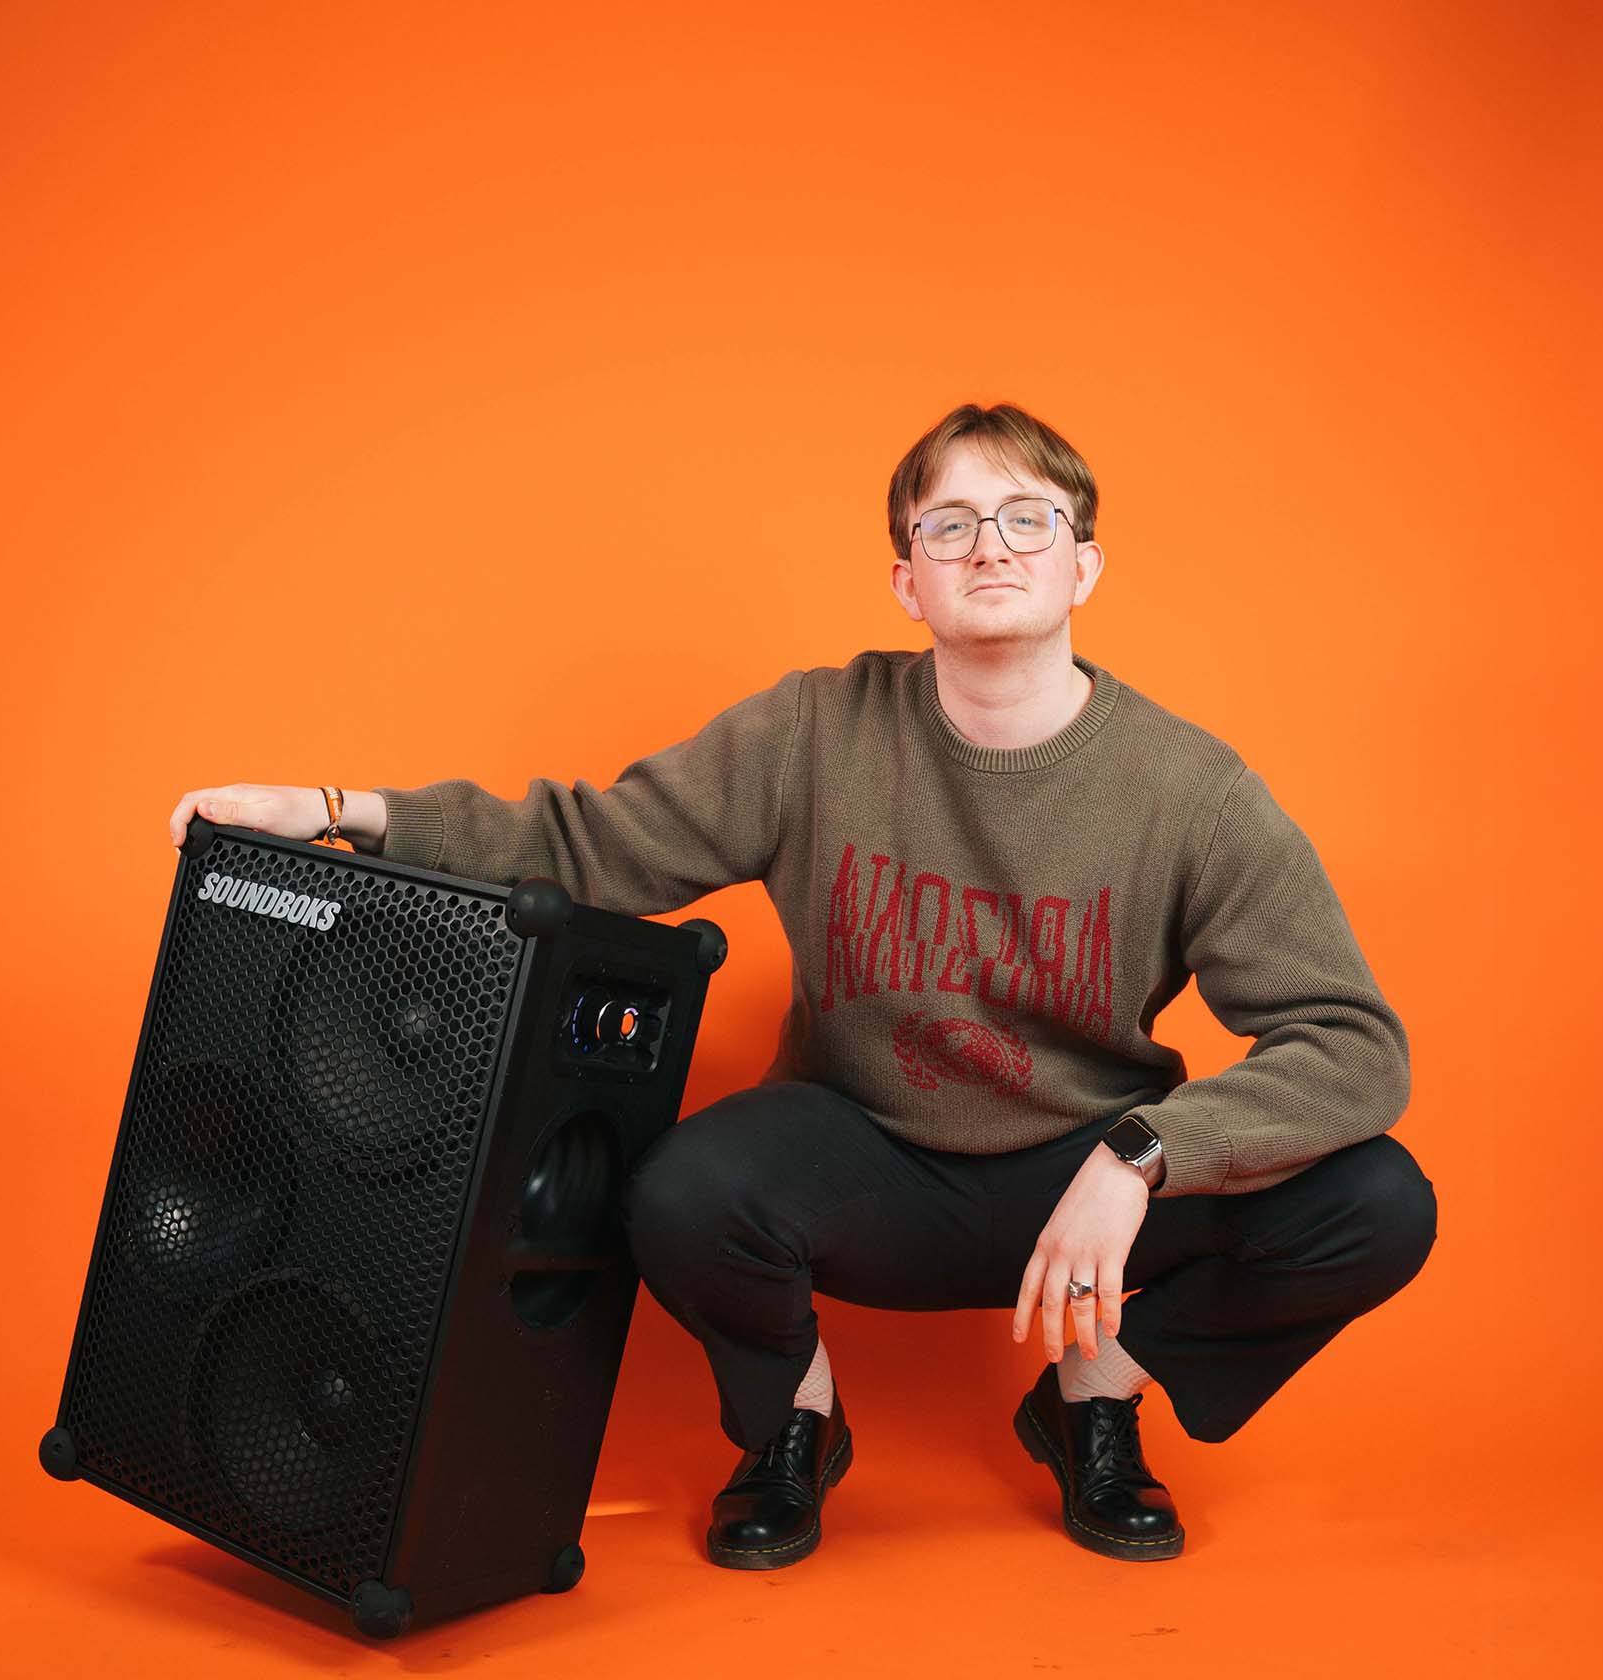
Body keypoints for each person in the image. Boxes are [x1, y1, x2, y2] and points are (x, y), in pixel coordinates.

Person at [167, 401, 1437, 1571]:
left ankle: (1091, 1395)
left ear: (1082, 565)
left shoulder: (1192, 792)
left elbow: (1351, 1046)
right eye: (949, 523)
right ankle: (795, 1421)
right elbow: (590, 845)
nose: (988, 546)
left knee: (1377, 1197)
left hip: (1082, 1183)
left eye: (1026, 518)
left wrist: (1144, 1154)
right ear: (906, 577)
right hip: (867, 1159)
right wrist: (336, 811)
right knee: (680, 1185)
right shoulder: (814, 731)